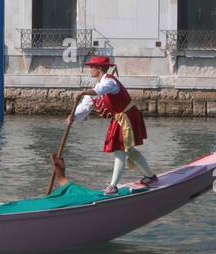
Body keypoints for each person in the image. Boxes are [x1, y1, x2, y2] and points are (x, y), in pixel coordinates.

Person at [67, 55, 157, 194]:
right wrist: (73, 116)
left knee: (120, 150)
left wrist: (83, 91)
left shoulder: (109, 82)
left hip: (127, 116)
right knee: (129, 151)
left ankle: (113, 186)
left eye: (92, 67)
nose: (90, 69)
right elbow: (85, 106)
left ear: (99, 68)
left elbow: (99, 90)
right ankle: (150, 176)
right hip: (119, 118)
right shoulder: (98, 86)